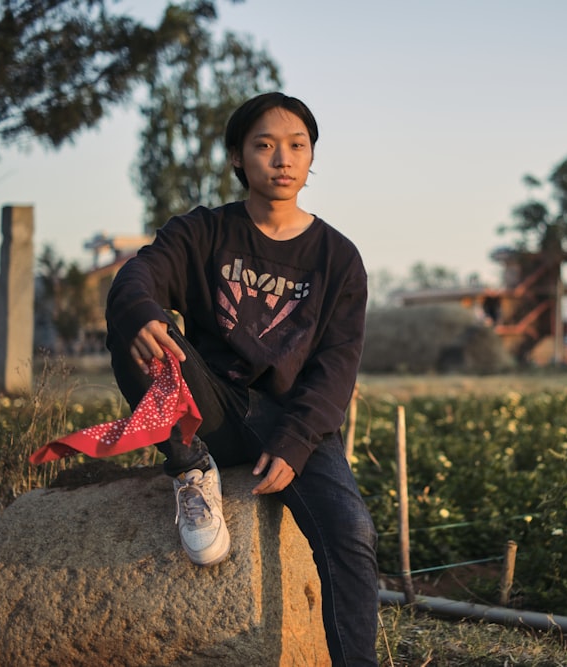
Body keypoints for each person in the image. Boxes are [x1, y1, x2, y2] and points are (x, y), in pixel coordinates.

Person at [104, 92, 379, 666]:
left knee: (352, 531)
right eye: (265, 145)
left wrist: (299, 441)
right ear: (237, 158)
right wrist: (141, 313)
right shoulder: (202, 232)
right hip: (215, 409)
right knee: (138, 330)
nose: (282, 158)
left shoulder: (338, 259)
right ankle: (188, 466)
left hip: (296, 422)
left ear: (310, 159)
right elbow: (140, 275)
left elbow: (336, 365)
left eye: (296, 146)